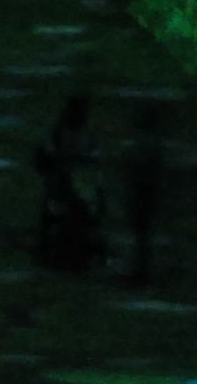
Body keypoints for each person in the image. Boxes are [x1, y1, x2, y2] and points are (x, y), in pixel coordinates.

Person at [36, 93, 105, 273]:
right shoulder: (61, 133)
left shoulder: (82, 135)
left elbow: (93, 164)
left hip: (77, 186)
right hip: (65, 186)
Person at [117, 98, 172, 289]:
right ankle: (141, 270)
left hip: (139, 194)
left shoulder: (137, 146)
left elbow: (128, 170)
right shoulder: (154, 146)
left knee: (139, 234)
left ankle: (138, 271)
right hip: (147, 194)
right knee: (143, 235)